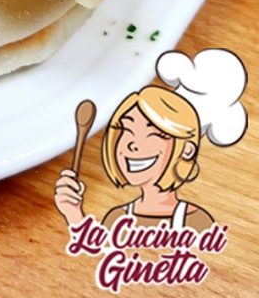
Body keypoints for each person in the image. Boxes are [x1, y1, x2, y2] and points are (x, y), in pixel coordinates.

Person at [54, 84, 214, 231]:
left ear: (187, 149)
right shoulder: (117, 218)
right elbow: (98, 255)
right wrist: (73, 214)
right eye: (126, 129)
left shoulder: (196, 222)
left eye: (154, 133)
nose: (132, 144)